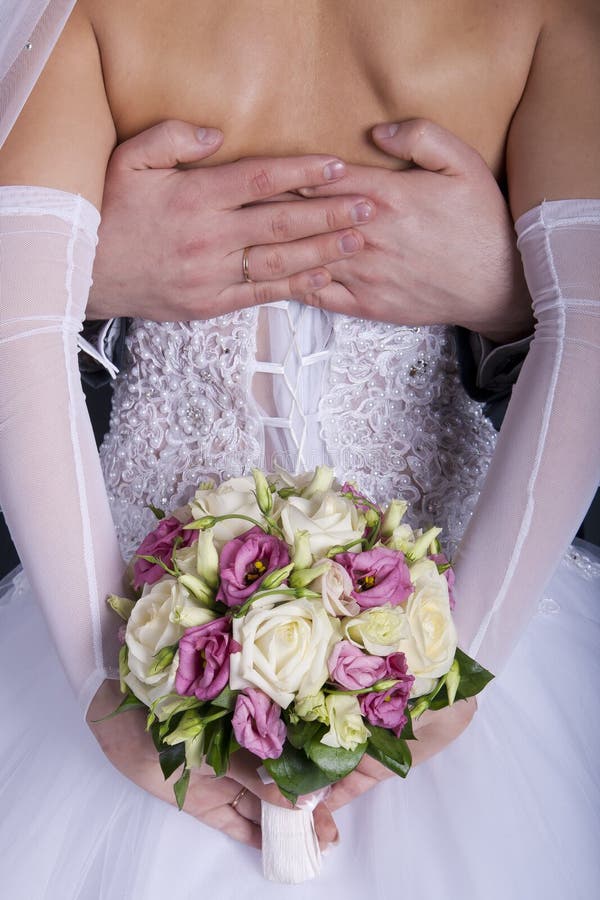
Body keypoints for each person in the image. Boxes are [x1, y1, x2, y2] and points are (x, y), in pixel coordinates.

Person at [0, 0, 599, 897]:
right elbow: (590, 329)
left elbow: (16, 326)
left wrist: (104, 680)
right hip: (462, 613)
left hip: (127, 621)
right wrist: (456, 669)